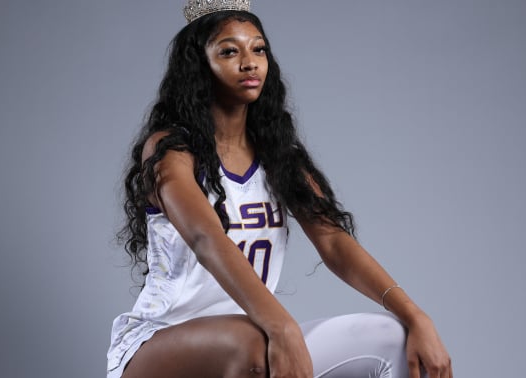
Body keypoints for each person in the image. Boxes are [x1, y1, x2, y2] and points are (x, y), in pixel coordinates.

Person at [108, 2, 452, 377]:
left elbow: (335, 244)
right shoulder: (170, 150)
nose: (249, 62)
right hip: (159, 345)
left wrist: (416, 315)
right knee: (255, 344)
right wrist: (283, 327)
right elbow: (206, 238)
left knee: (395, 338)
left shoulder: (278, 156)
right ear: (198, 65)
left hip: (260, 334)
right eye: (229, 51)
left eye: (258, 49)